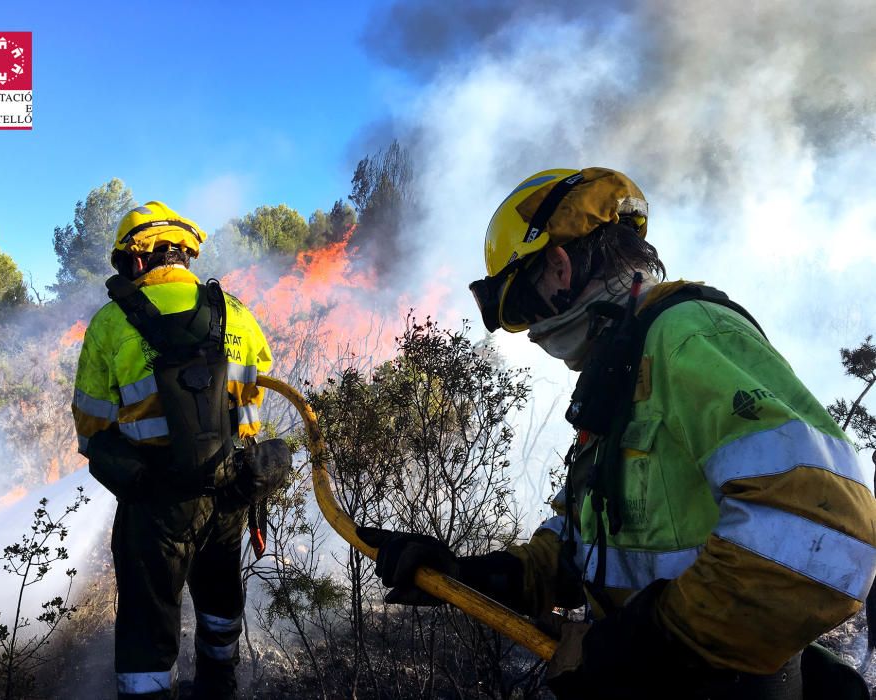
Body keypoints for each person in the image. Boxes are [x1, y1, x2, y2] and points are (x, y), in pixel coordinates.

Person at [359, 168, 876, 699]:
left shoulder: (685, 334)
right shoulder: (621, 372)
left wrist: (643, 646)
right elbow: (582, 543)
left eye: (520, 307)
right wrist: (466, 574)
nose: (529, 333)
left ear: (558, 268)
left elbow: (826, 535)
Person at [72, 201, 288, 699]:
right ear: (185, 254)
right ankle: (219, 685)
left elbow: (92, 429)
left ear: (137, 259)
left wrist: (140, 479)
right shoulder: (236, 313)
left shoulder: (109, 324)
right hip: (228, 493)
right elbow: (252, 400)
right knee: (219, 597)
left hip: (155, 506)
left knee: (149, 624)